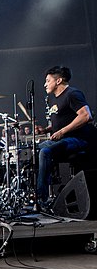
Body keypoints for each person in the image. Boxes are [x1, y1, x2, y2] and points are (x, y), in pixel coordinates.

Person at [36, 66, 96, 207]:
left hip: (78, 139)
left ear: (58, 81)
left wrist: (62, 131)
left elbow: (86, 116)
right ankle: (37, 192)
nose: (45, 84)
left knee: (45, 152)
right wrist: (46, 129)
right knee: (30, 150)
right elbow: (64, 119)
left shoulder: (72, 94)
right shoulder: (53, 99)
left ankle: (41, 198)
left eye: (48, 80)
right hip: (64, 139)